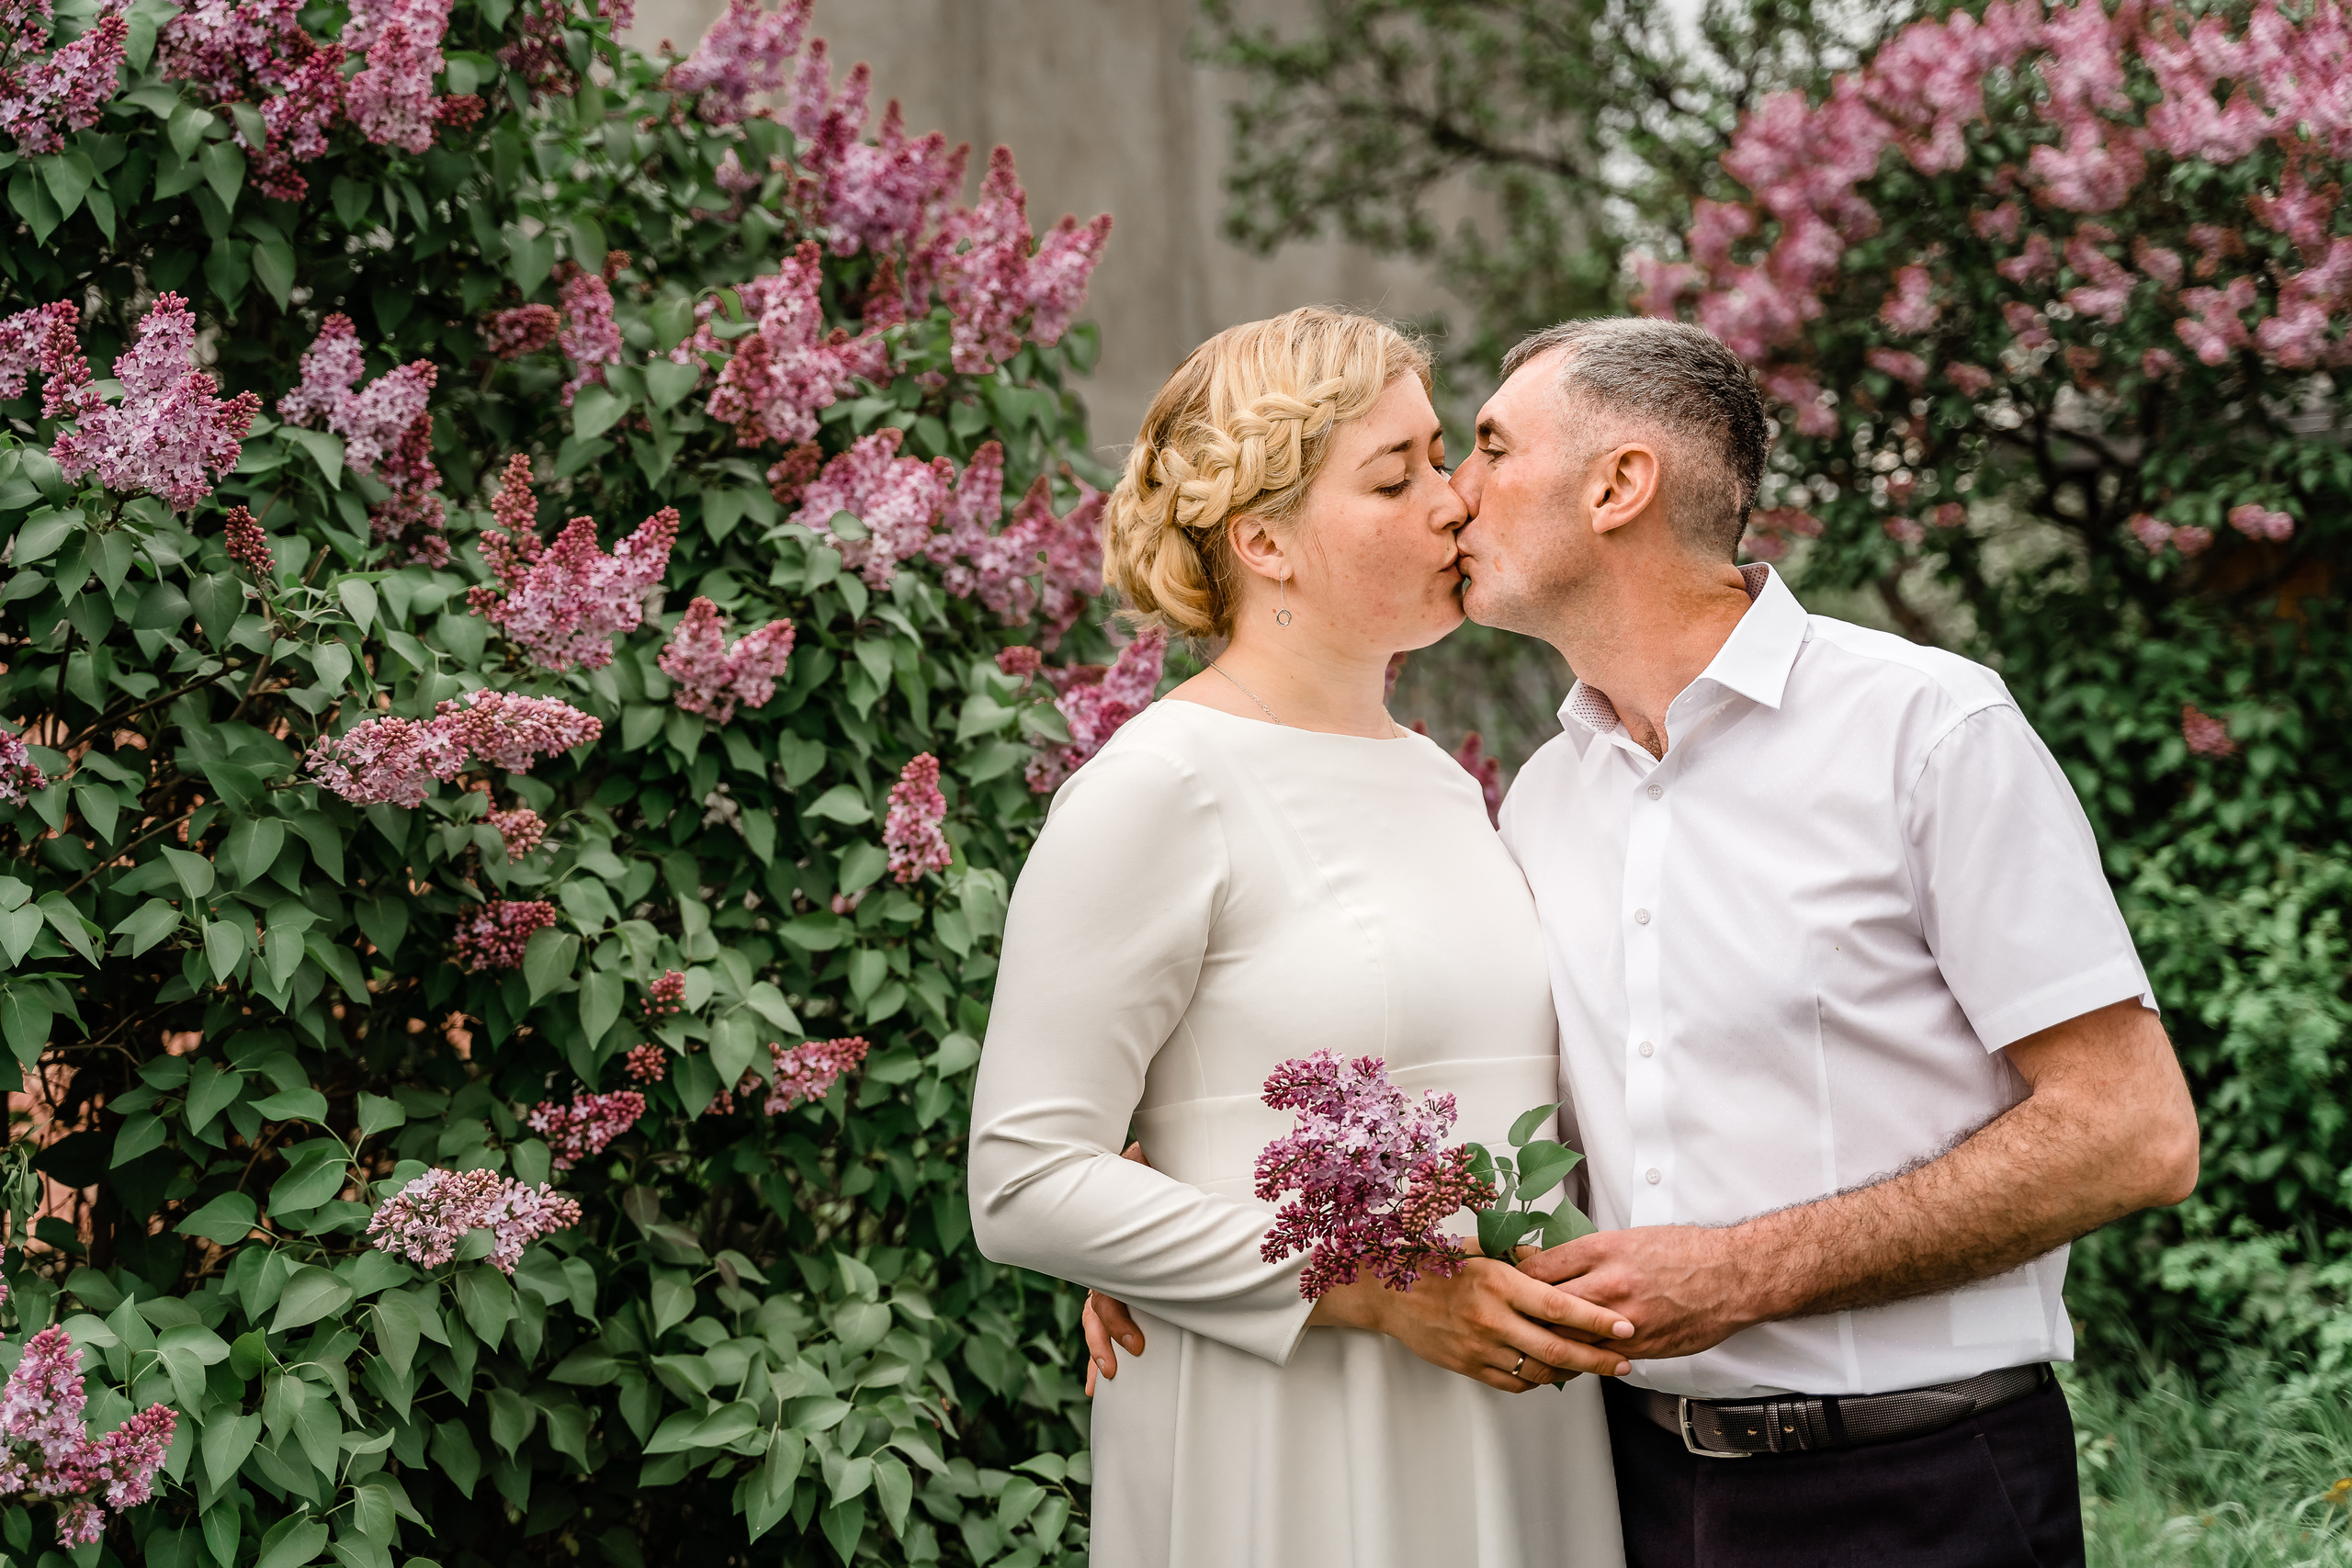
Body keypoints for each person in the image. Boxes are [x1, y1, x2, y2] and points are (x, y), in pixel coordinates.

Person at [1090, 315, 2201, 1567]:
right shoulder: (1538, 802)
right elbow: (1478, 1085)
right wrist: (1190, 1207)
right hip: (1632, 1499)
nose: (1453, 496)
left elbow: (2135, 1133)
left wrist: (1746, 1273)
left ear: (1619, 486)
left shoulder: (1928, 730)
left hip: (1923, 1489)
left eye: (1491, 450)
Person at [967, 307, 1632, 1568]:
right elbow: (1024, 1181)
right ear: (1262, 539)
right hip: (1283, 1440)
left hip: (1513, 1423)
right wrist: (1377, 1291)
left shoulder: (1444, 781)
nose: (1455, 502)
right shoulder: (1158, 786)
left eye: (1443, 457)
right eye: (1399, 474)